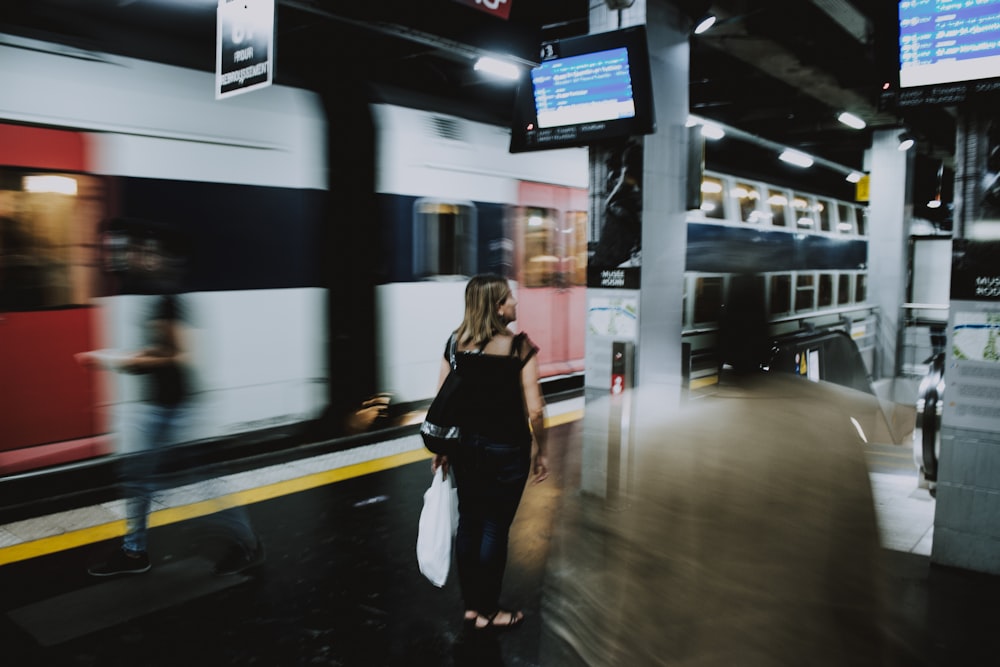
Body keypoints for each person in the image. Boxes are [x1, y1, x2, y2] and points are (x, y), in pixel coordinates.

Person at [81, 225, 262, 577]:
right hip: (166, 405)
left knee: (182, 479)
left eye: (148, 253)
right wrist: (127, 359)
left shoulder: (169, 298)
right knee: (144, 477)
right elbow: (163, 350)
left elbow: (180, 355)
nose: (139, 257)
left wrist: (126, 362)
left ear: (163, 259)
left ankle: (246, 544)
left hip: (174, 407)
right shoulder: (162, 297)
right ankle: (136, 552)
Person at [431, 273, 549, 631]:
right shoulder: (519, 348)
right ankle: (490, 611)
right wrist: (540, 450)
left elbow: (441, 401)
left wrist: (443, 449)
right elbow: (536, 409)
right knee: (494, 528)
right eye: (510, 297)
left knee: (469, 522)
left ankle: (472, 607)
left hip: (466, 448)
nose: (516, 302)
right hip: (507, 450)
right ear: (498, 307)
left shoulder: (455, 343)